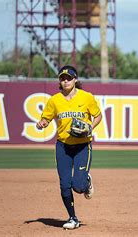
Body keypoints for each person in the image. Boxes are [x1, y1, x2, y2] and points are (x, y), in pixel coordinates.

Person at [36, 65, 102, 230]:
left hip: (82, 146)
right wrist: (42, 123)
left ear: (75, 79)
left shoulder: (86, 97)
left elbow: (98, 115)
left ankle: (86, 182)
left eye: (69, 78)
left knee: (78, 187)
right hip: (63, 146)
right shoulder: (54, 100)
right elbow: (46, 118)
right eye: (62, 78)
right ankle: (73, 218)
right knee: (65, 185)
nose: (65, 81)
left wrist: (90, 127)